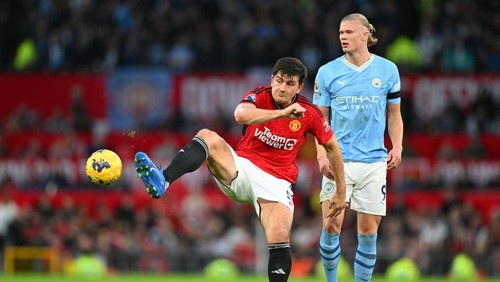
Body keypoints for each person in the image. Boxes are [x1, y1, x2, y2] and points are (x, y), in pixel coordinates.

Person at [134, 57, 346, 282]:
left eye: (290, 83)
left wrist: (341, 191)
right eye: (280, 81)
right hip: (241, 170)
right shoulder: (260, 95)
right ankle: (163, 180)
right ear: (272, 79)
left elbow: (332, 146)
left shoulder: (309, 112)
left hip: (277, 181)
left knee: (280, 238)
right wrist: (282, 114)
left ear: (299, 87)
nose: (283, 88)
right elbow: (240, 115)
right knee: (208, 136)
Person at [313, 13, 404, 282]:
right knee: (330, 226)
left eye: (349, 32)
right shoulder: (328, 72)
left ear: (365, 35)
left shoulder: (388, 70)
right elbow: (319, 120)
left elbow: (394, 115)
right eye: (341, 32)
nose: (343, 36)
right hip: (338, 160)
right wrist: (321, 155)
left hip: (375, 162)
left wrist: (397, 146)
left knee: (367, 233)